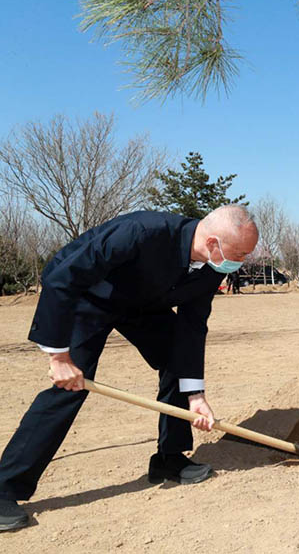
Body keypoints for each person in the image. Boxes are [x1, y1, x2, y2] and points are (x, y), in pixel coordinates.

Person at [0, 205, 259, 532]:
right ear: (212, 243)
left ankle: (169, 458)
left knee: (176, 364)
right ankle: (6, 487)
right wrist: (58, 356)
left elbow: (192, 327)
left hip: (144, 309)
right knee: (70, 388)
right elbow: (62, 274)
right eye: (240, 253)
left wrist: (196, 395)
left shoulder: (212, 267)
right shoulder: (142, 230)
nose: (242, 262)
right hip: (91, 299)